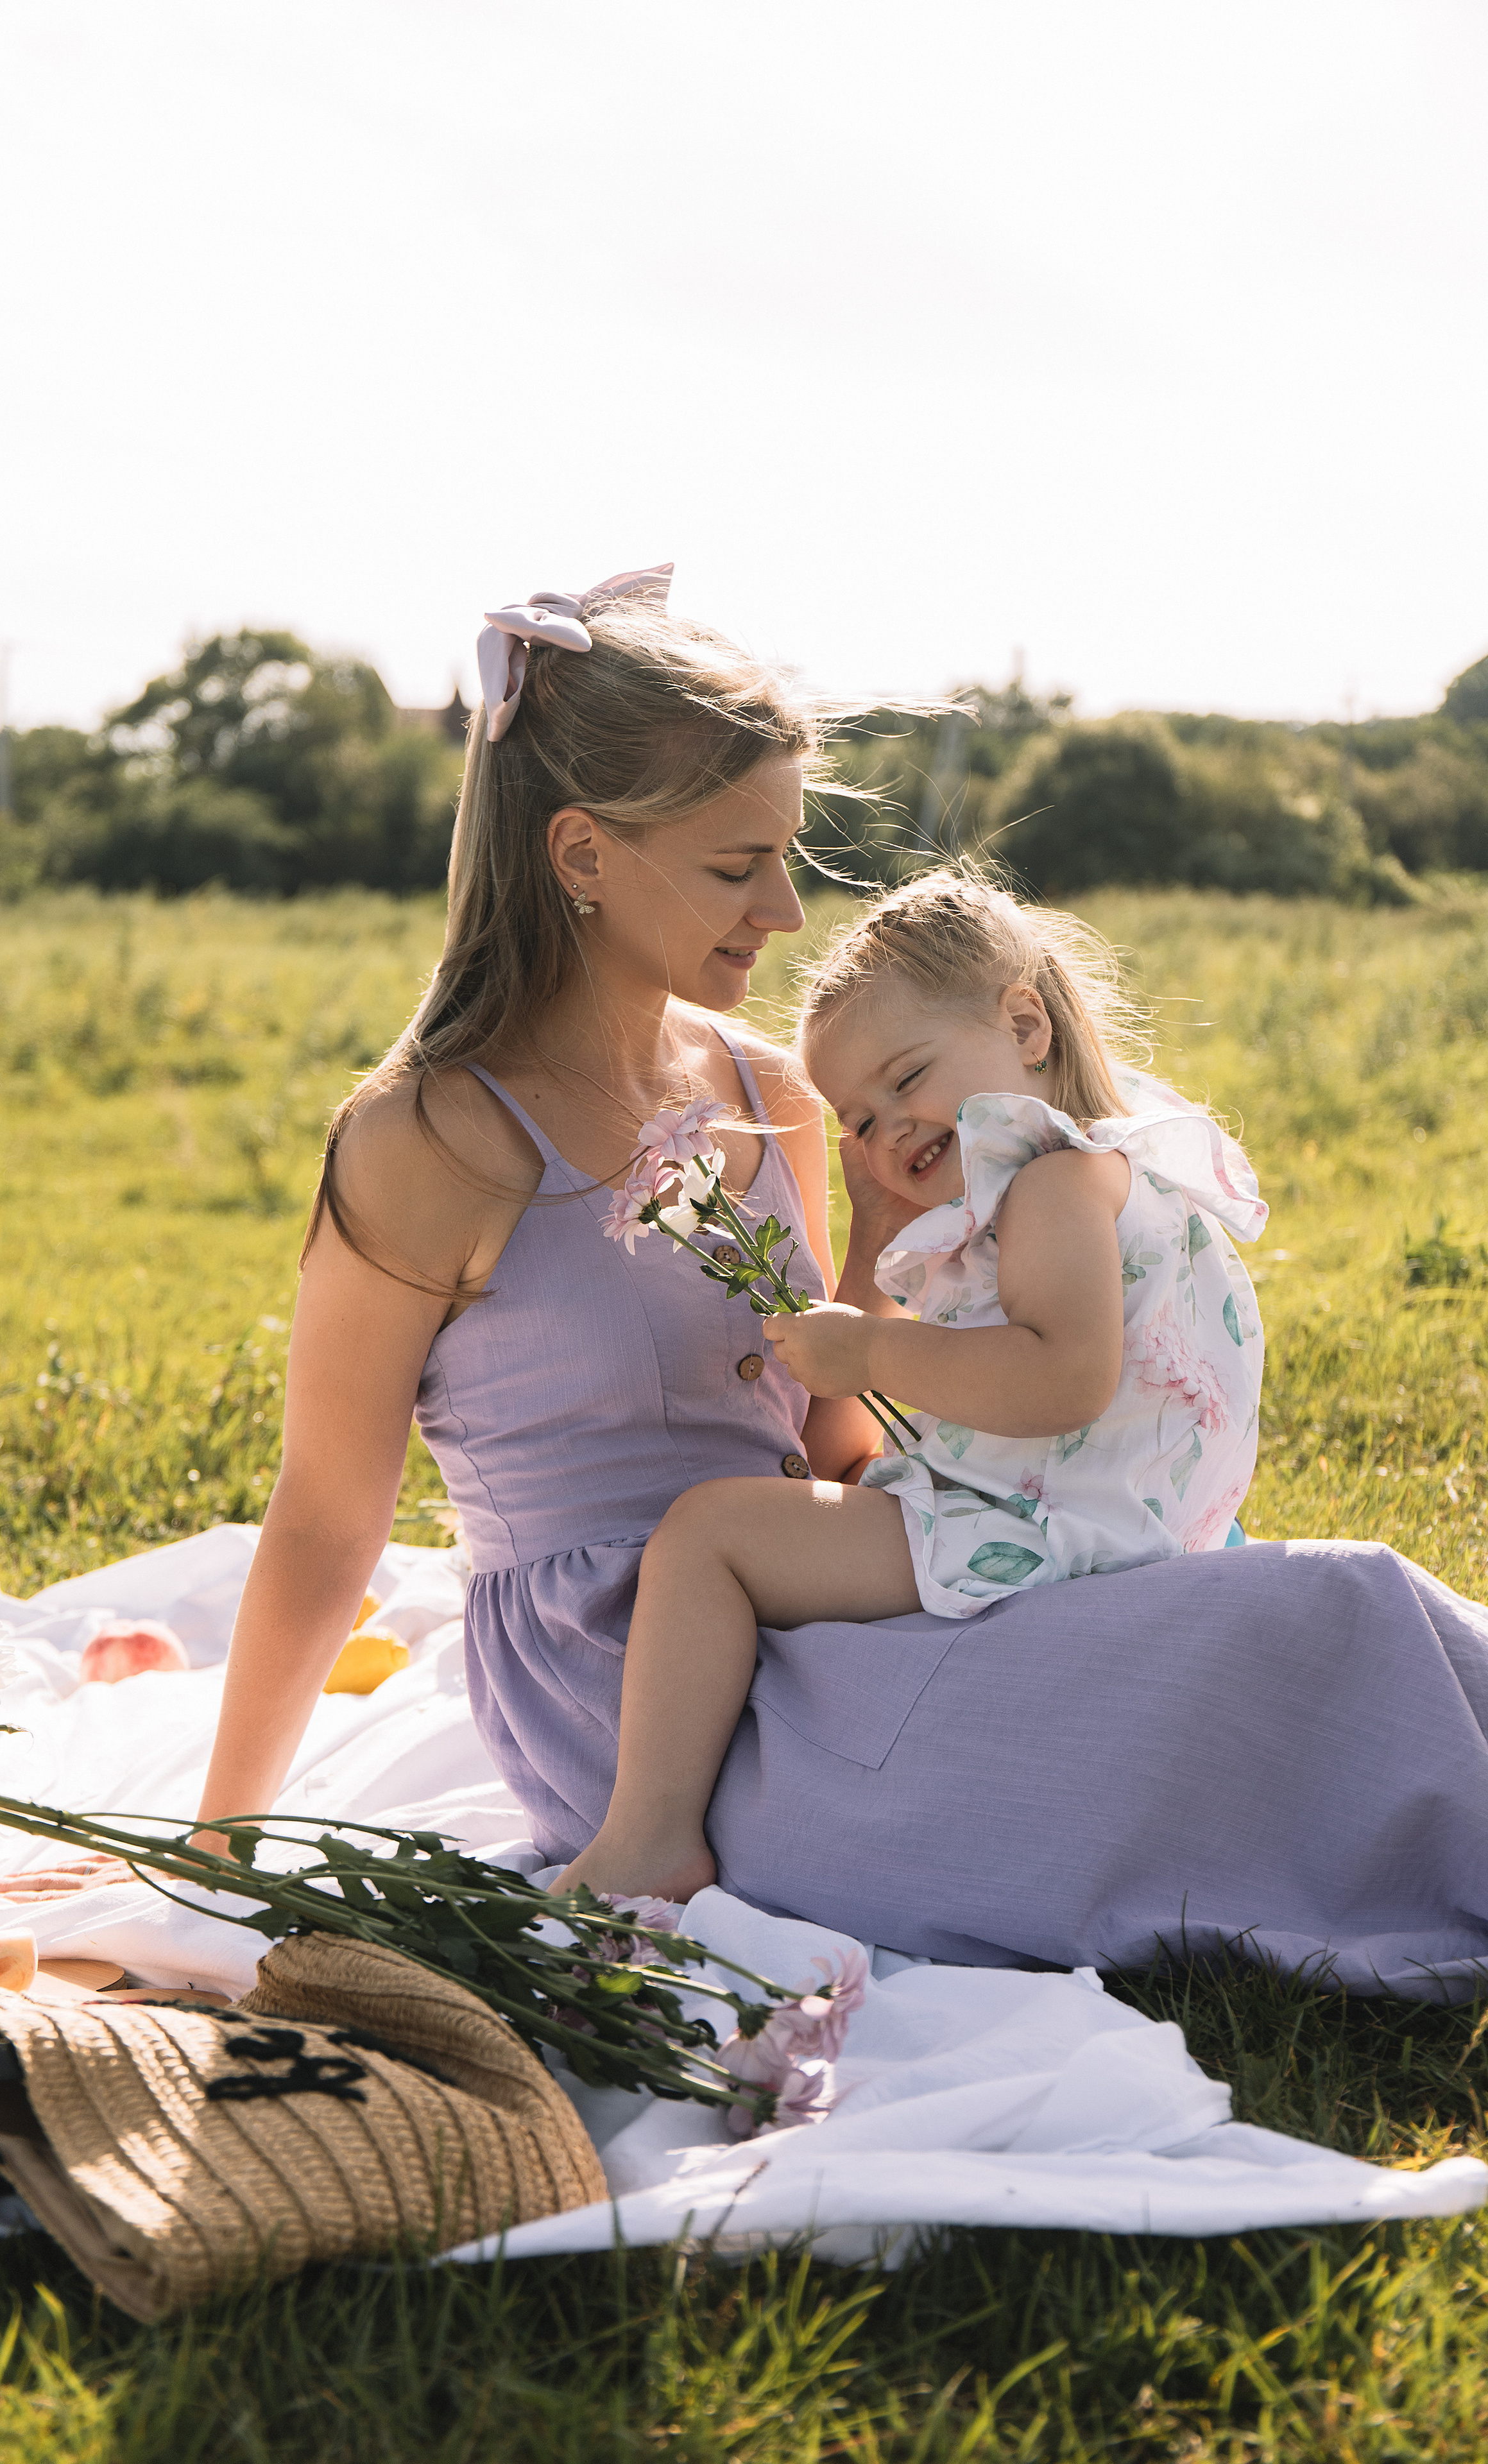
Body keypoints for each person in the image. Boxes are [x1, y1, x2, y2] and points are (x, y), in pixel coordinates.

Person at [192, 565, 1488, 2001]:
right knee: (1285, 1646)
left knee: (1333, 1606)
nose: (787, 907)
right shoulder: (428, 1139)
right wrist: (216, 1842)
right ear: (581, 854)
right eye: (736, 864)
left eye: (785, 854)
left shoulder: (777, 1089)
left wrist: (893, 1258)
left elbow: (837, 1446)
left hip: (832, 1588)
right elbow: (324, 1519)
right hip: (631, 1695)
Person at [560, 871, 1269, 1902]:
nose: (889, 1128)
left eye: (908, 1078)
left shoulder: (1052, 1185)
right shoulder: (1115, 1162)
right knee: (821, 1503)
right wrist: (876, 1274)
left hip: (1055, 1531)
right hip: (1118, 1515)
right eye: (858, 1117)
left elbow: (1066, 1378)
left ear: (1024, 1024)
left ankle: (650, 1835)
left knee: (708, 1535)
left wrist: (872, 1355)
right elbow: (894, 1434)